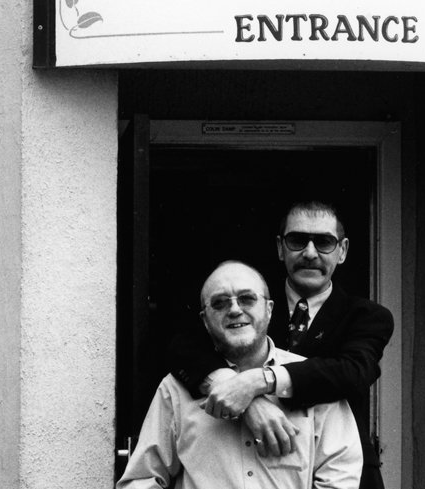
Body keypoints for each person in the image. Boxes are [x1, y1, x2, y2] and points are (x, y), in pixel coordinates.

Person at [166, 201, 395, 489]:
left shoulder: (367, 316)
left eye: (324, 242)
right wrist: (238, 392)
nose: (310, 253)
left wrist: (258, 382)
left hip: (341, 475)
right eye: (297, 240)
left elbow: (353, 372)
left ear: (343, 250)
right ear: (280, 247)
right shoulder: (252, 304)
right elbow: (181, 346)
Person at [118, 260, 362, 489]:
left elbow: (339, 479)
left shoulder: (314, 381)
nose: (234, 310)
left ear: (269, 310)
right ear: (204, 320)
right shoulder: (175, 391)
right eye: (220, 303)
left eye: (247, 299)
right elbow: (141, 480)